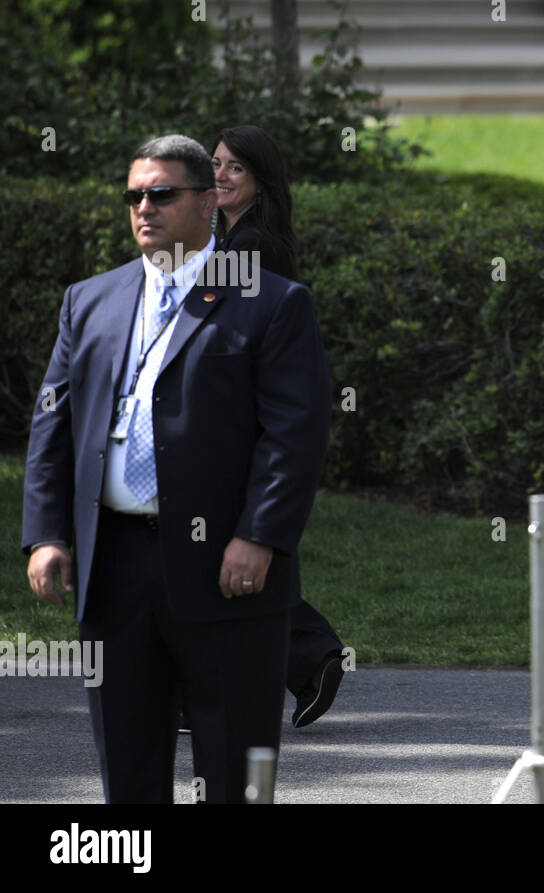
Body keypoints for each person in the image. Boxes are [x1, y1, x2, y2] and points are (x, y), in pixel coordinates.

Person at [22, 134, 332, 802]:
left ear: (209, 201)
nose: (144, 208)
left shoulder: (272, 302)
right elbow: (55, 423)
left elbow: (294, 435)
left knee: (232, 774)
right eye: (134, 194)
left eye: (161, 193)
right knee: (127, 768)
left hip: (224, 565)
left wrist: (260, 535)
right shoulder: (90, 300)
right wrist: (47, 533)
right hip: (114, 565)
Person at [211, 124, 345, 727]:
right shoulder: (231, 238)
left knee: (230, 556)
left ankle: (309, 656)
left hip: (245, 425)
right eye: (214, 163)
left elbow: (223, 336)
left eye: (234, 168)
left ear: (259, 181)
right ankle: (307, 659)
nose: (219, 174)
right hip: (232, 424)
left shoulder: (254, 248)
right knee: (225, 558)